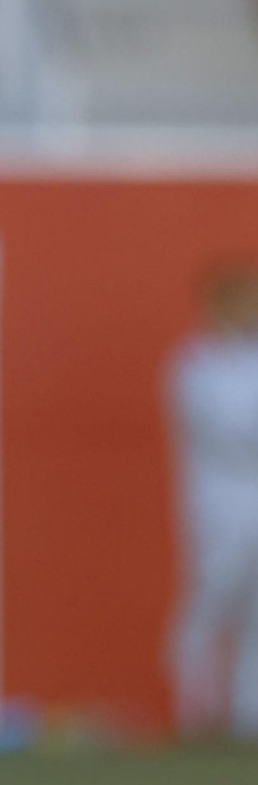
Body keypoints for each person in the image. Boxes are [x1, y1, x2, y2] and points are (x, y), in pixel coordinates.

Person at [166, 261, 258, 739]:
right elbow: (228, 432)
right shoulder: (196, 362)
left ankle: (249, 715)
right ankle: (195, 709)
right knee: (213, 594)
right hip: (221, 496)